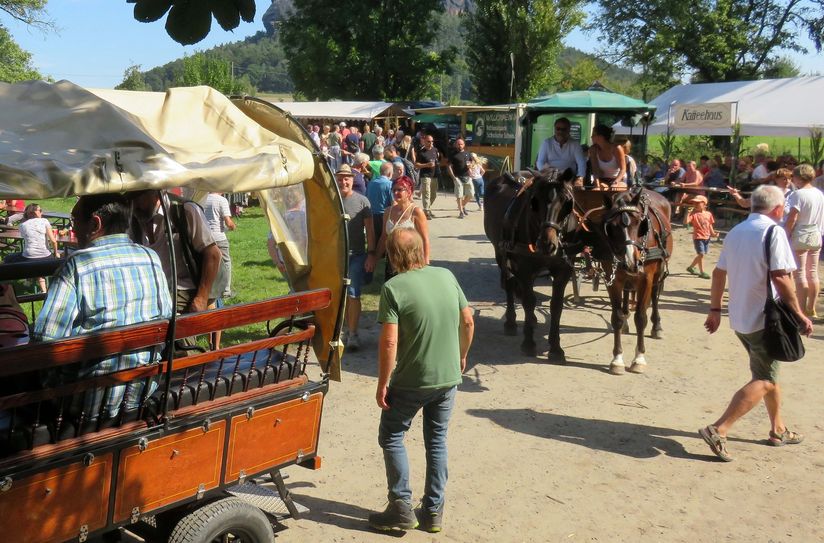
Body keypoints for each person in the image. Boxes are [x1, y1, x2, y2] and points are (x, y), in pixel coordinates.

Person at [368, 227, 474, 533]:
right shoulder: (446, 275)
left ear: (393, 255)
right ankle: (432, 512)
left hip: (412, 380)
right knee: (437, 440)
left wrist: (382, 383)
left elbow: (389, 343)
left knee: (391, 436)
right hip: (448, 378)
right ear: (418, 250)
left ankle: (401, 505)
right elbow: (467, 320)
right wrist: (462, 354)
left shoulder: (393, 287)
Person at [33, 194, 173, 419]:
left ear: (95, 223)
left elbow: (43, 342)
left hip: (85, 406)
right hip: (142, 393)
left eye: (74, 220)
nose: (73, 228)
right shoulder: (151, 257)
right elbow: (166, 316)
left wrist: (52, 388)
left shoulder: (76, 266)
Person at [701, 185, 813, 462]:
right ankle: (719, 428)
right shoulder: (773, 232)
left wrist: (715, 309)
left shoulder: (737, 231)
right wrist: (799, 313)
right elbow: (782, 278)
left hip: (740, 317)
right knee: (764, 379)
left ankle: (778, 429)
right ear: (777, 209)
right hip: (766, 319)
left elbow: (718, 273)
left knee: (769, 374)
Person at [129, 190, 223, 316]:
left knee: (178, 333)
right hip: (150, 293)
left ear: (157, 194)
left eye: (139, 196)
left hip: (182, 291)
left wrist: (202, 297)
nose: (134, 204)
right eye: (131, 198)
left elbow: (213, 254)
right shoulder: (134, 217)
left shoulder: (184, 210)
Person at [337, 164, 376, 351]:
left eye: (347, 178)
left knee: (353, 293)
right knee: (338, 295)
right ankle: (341, 330)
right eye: (340, 178)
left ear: (353, 180)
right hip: (336, 257)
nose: (344, 181)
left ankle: (353, 334)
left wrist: (372, 254)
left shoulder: (363, 201)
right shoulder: (331, 200)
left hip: (357, 255)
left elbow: (370, 230)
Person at [784, 163, 824, 319]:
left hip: (800, 233)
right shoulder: (819, 193)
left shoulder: (798, 195)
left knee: (800, 273)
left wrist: (786, 234)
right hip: (816, 233)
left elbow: (792, 217)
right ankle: (811, 307)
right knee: (812, 272)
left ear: (799, 177)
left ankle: (799, 309)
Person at [373, 175, 430, 281]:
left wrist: (426, 262)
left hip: (411, 261)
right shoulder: (387, 212)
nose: (395, 193)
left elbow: (425, 239)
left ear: (409, 192)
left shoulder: (416, 212)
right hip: (392, 261)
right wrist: (375, 259)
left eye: (399, 190)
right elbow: (383, 237)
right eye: (393, 190)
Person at [4, 203, 60, 293]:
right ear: (33, 212)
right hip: (46, 257)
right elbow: (53, 241)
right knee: (37, 262)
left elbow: (26, 240)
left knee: (8, 258)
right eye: (40, 210)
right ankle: (41, 289)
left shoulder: (22, 225)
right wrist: (56, 253)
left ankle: (8, 287)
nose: (42, 212)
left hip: (29, 258)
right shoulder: (45, 221)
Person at [534, 117, 586, 184]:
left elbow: (581, 163)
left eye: (564, 129)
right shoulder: (547, 143)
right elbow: (540, 162)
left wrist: (580, 178)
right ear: (554, 129)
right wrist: (545, 173)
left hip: (569, 178)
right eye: (558, 129)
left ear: (569, 130)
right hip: (550, 177)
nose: (560, 132)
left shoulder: (575, 144)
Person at [686, 195, 716, 279]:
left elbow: (709, 224)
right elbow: (686, 222)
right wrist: (688, 213)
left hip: (707, 237)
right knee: (701, 254)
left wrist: (713, 233)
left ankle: (691, 267)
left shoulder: (708, 214)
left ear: (704, 204)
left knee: (701, 255)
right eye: (694, 203)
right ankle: (702, 272)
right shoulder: (693, 214)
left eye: (697, 203)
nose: (695, 204)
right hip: (698, 237)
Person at [588, 124, 627, 190]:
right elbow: (595, 170)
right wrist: (597, 186)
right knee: (597, 190)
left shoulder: (617, 148)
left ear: (600, 137)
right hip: (602, 180)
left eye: (593, 135)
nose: (591, 137)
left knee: (614, 189)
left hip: (618, 180)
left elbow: (623, 169)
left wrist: (615, 183)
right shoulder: (593, 150)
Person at [414, 134, 440, 220]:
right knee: (426, 194)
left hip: (434, 175)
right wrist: (427, 165)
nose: (431, 143)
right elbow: (416, 165)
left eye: (432, 141)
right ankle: (426, 211)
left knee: (434, 195)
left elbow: (437, 160)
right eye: (429, 141)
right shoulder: (421, 152)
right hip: (425, 175)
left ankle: (427, 209)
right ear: (424, 142)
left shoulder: (435, 150)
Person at [367, 162, 394, 242]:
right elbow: (393, 202)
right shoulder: (390, 184)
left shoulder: (371, 183)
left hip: (371, 214)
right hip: (384, 215)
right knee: (384, 240)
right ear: (390, 173)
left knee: (374, 239)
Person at [447, 138, 474, 218]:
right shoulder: (453, 154)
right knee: (459, 195)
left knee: (471, 194)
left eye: (461, 144)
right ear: (456, 145)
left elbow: (472, 162)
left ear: (464, 145)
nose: (460, 146)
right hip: (458, 177)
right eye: (458, 144)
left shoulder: (468, 154)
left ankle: (462, 206)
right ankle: (461, 212)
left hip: (467, 177)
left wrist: (471, 166)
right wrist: (453, 177)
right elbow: (448, 166)